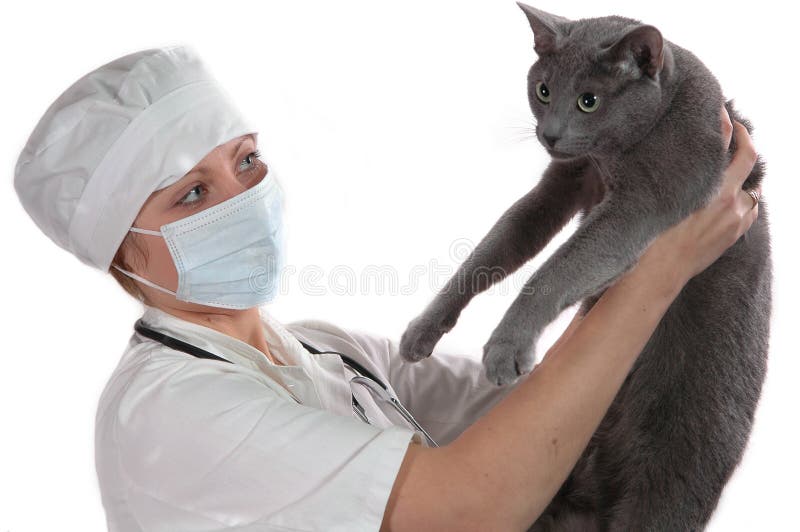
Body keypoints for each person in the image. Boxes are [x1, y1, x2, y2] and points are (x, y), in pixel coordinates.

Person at [12, 44, 760, 532]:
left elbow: (543, 420)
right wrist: (654, 274)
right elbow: (475, 502)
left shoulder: (325, 353)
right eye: (192, 196)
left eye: (244, 162)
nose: (241, 197)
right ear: (124, 252)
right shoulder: (163, 416)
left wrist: (656, 207)